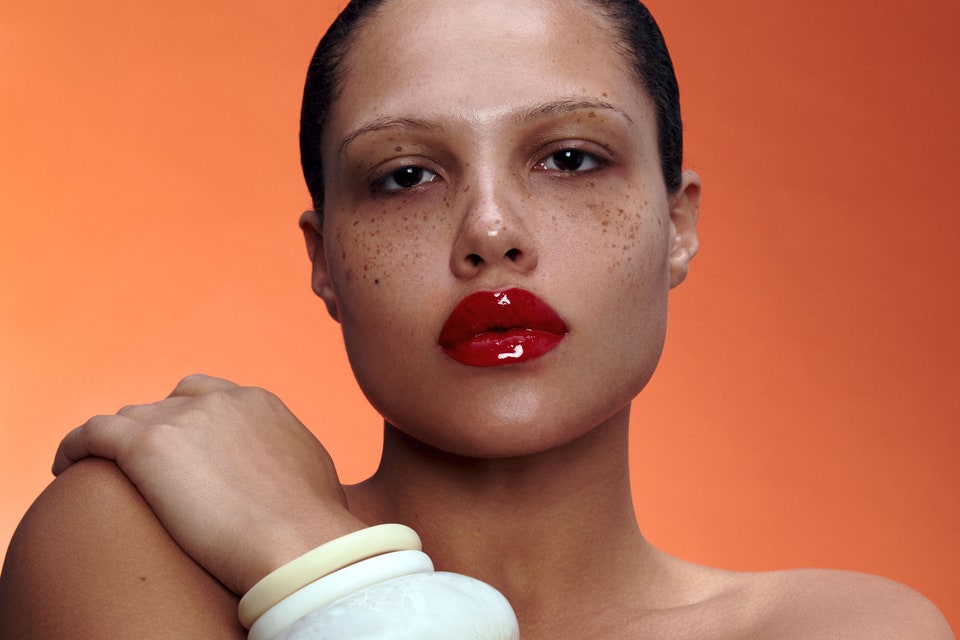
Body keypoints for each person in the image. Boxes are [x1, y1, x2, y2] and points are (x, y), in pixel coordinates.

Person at [0, 0, 953, 638]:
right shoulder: (133, 548)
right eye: (406, 175)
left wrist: (319, 568)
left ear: (678, 225)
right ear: (324, 257)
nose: (491, 232)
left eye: (571, 158)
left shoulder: (846, 628)